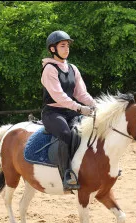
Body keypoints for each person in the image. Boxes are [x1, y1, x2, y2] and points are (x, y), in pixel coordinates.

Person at [41, 30, 96, 191]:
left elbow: (81, 93)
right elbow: (59, 96)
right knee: (66, 134)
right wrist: (79, 108)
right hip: (53, 112)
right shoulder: (49, 69)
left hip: (71, 111)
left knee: (89, 130)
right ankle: (67, 174)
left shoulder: (73, 68)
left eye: (67, 46)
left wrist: (95, 105)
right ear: (53, 49)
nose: (67, 49)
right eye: (62, 46)